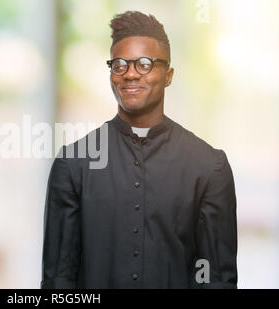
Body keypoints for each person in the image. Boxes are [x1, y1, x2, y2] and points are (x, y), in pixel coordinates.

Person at [41, 11, 237, 288]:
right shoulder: (73, 164)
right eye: (119, 65)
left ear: (168, 75)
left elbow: (217, 279)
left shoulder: (208, 166)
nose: (130, 73)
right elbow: (58, 280)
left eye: (145, 64)